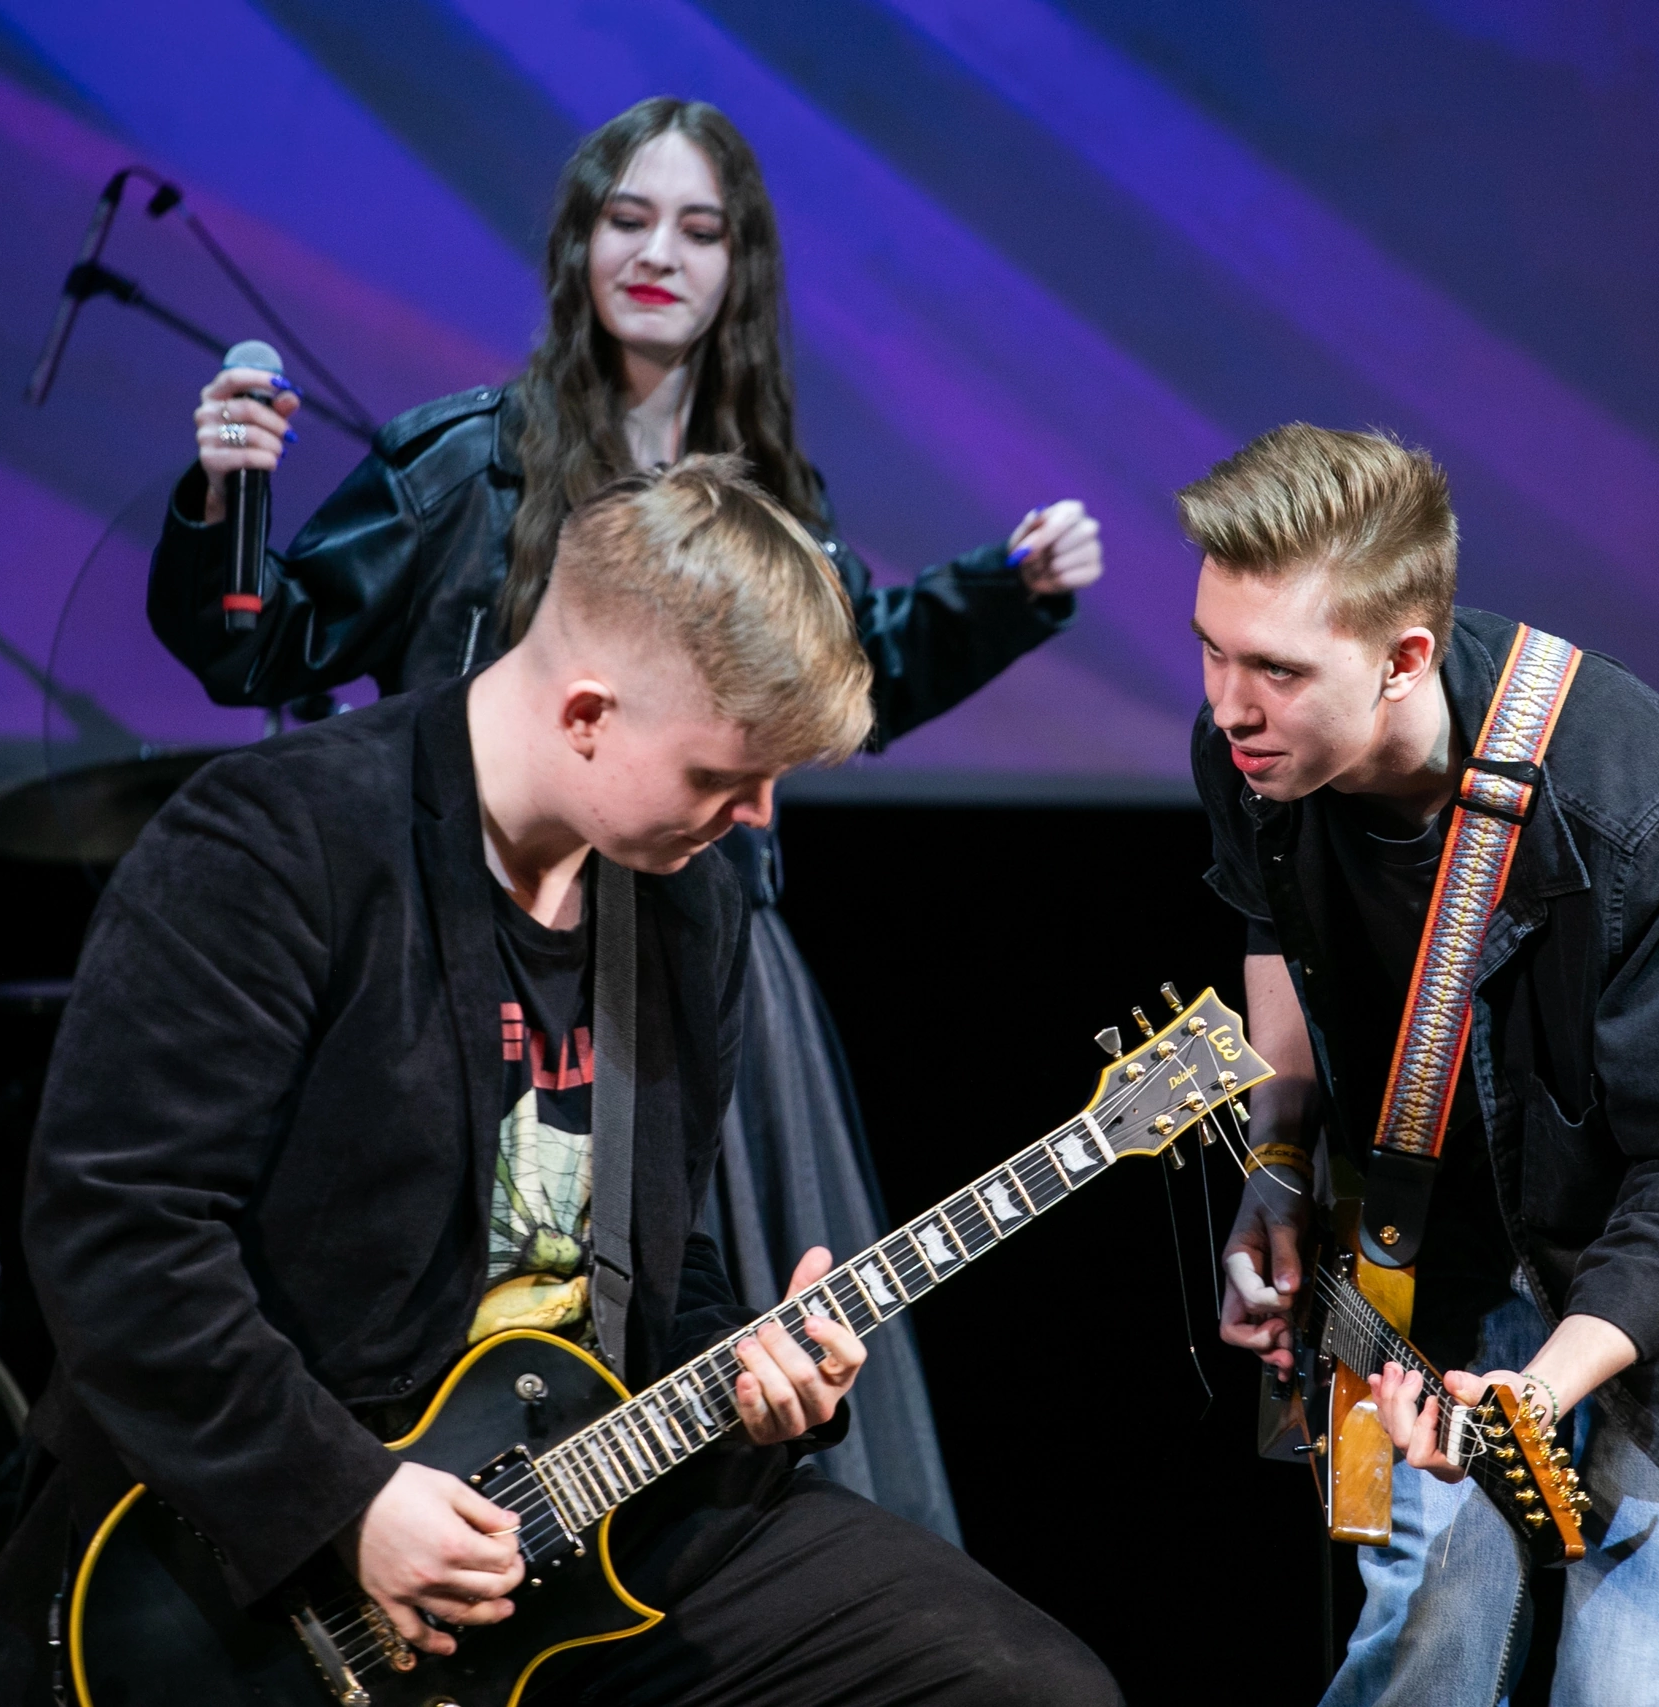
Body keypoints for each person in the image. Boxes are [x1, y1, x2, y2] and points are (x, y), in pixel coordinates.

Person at [0, 459, 1118, 1706]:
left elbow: (655, 1258)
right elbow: (118, 1233)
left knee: (1031, 1690)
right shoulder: (277, 843)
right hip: (276, 1563)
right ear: (588, 713)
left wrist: (749, 1369)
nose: (754, 815)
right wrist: (346, 1500)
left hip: (590, 1519)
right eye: (721, 778)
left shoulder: (689, 904)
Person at [145, 98, 1101, 1541]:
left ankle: (743, 1587)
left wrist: (999, 593)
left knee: (746, 1339)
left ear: (740, 268)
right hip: (468, 961)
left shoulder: (775, 504)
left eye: (699, 230)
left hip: (704, 961)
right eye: (628, 218)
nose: (659, 254)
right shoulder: (466, 460)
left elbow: (856, 688)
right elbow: (259, 645)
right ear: (578, 244)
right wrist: (227, 493)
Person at [1190, 426, 1659, 1703]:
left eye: (1277, 669)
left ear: (1405, 658)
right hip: (1458, 1233)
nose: (1231, 703)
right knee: (1427, 1648)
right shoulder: (1255, 753)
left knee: (1627, 1677)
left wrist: (1533, 1389)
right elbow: (1272, 927)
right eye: (1212, 649)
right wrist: (1279, 1162)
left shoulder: (1629, 808)